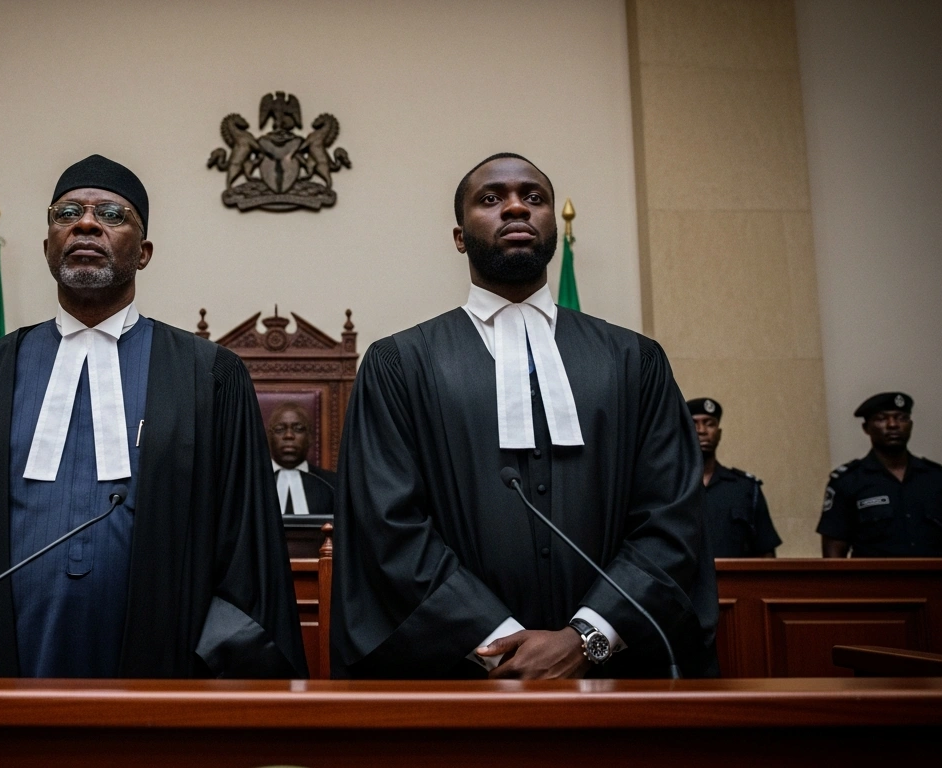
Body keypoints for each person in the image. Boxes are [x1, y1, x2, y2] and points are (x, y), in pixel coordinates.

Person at [0, 155, 305, 679]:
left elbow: (246, 553)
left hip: (162, 667)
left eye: (112, 215)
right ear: (48, 244)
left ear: (143, 254)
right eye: (67, 212)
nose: (86, 223)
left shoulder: (207, 377)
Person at [332, 153, 716, 680]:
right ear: (459, 236)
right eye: (491, 199)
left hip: (614, 677)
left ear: (552, 225)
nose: (516, 206)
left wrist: (588, 637)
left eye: (534, 198)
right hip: (457, 677)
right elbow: (387, 523)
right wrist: (494, 643)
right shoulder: (399, 364)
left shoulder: (633, 360)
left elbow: (671, 514)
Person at [818, 392, 942, 558]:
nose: (893, 425)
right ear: (866, 428)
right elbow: (833, 551)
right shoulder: (847, 481)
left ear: (910, 425)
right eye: (881, 418)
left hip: (934, 582)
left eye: (901, 418)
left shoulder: (940, 479)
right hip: (874, 582)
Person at [688, 397, 780, 558]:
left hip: (737, 582)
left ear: (719, 433)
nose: (702, 430)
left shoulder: (746, 488)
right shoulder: (668, 487)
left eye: (709, 423)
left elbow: (766, 553)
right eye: (694, 423)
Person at [267, 401, 336, 516]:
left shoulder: (332, 484)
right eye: (280, 429)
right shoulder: (249, 484)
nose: (289, 435)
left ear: (310, 438)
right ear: (269, 438)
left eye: (298, 429)